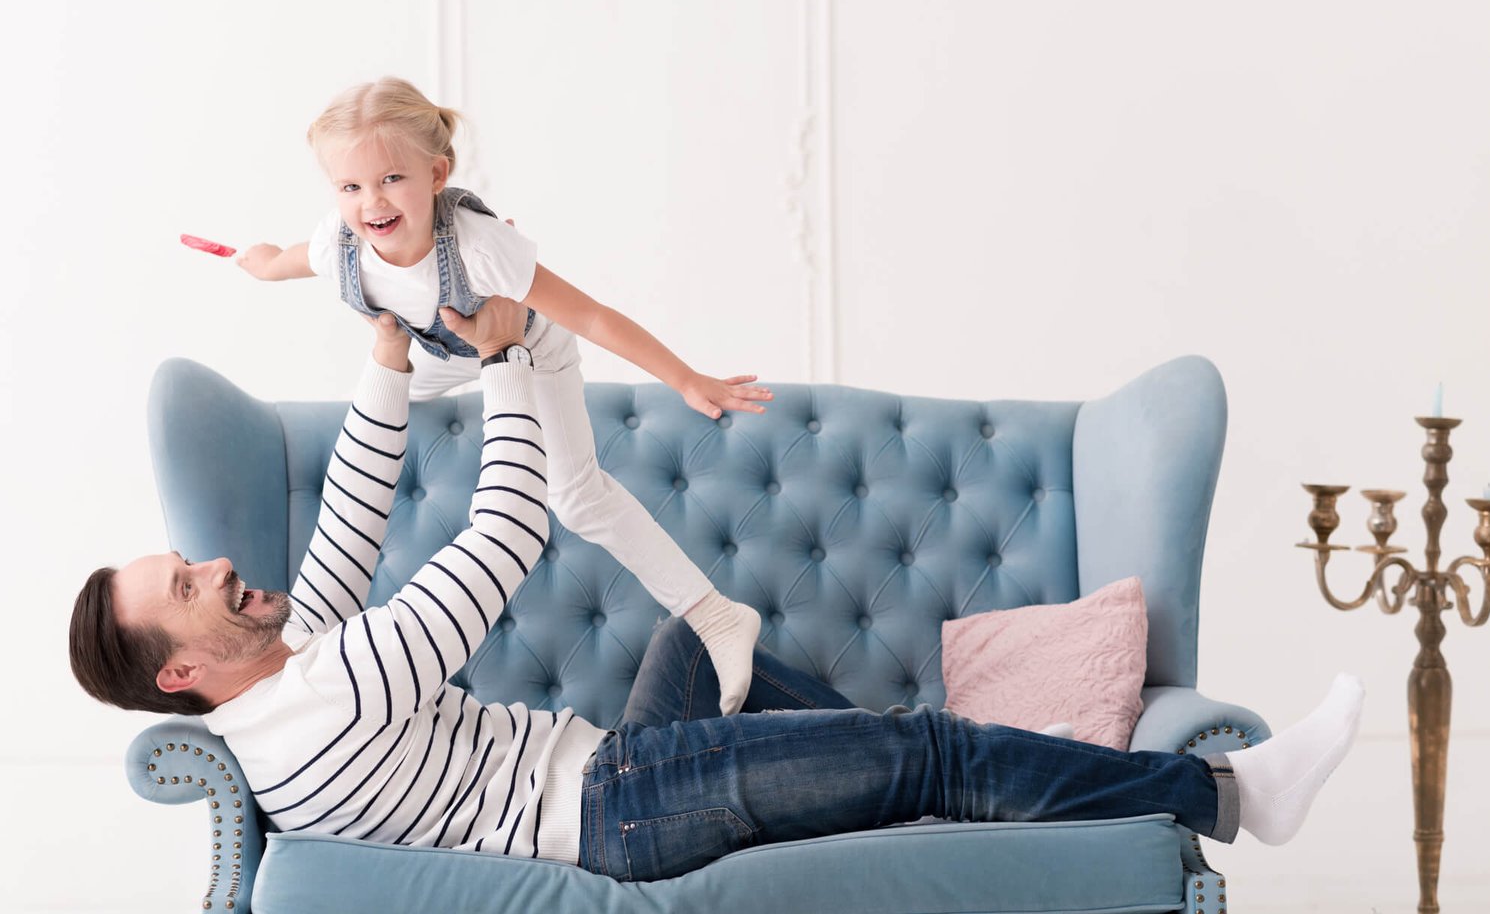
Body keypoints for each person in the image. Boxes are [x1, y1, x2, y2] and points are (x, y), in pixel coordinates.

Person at [70, 296, 1363, 882]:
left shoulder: (282, 683)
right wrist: (508, 361)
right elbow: (507, 533)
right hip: (625, 812)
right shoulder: (335, 693)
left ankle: (922, 785)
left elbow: (352, 512)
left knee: (705, 640)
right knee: (930, 749)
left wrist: (386, 351)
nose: (218, 567)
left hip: (611, 767)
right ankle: (1230, 794)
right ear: (180, 668)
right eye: (187, 583)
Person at [225, 77, 767, 714]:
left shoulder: (481, 248)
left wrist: (687, 379)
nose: (371, 202)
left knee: (577, 499)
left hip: (529, 355)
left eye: (391, 178)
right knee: (371, 416)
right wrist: (262, 263)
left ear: (437, 173)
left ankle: (717, 615)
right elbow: (296, 258)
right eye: (350, 187)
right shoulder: (341, 242)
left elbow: (592, 316)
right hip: (442, 354)